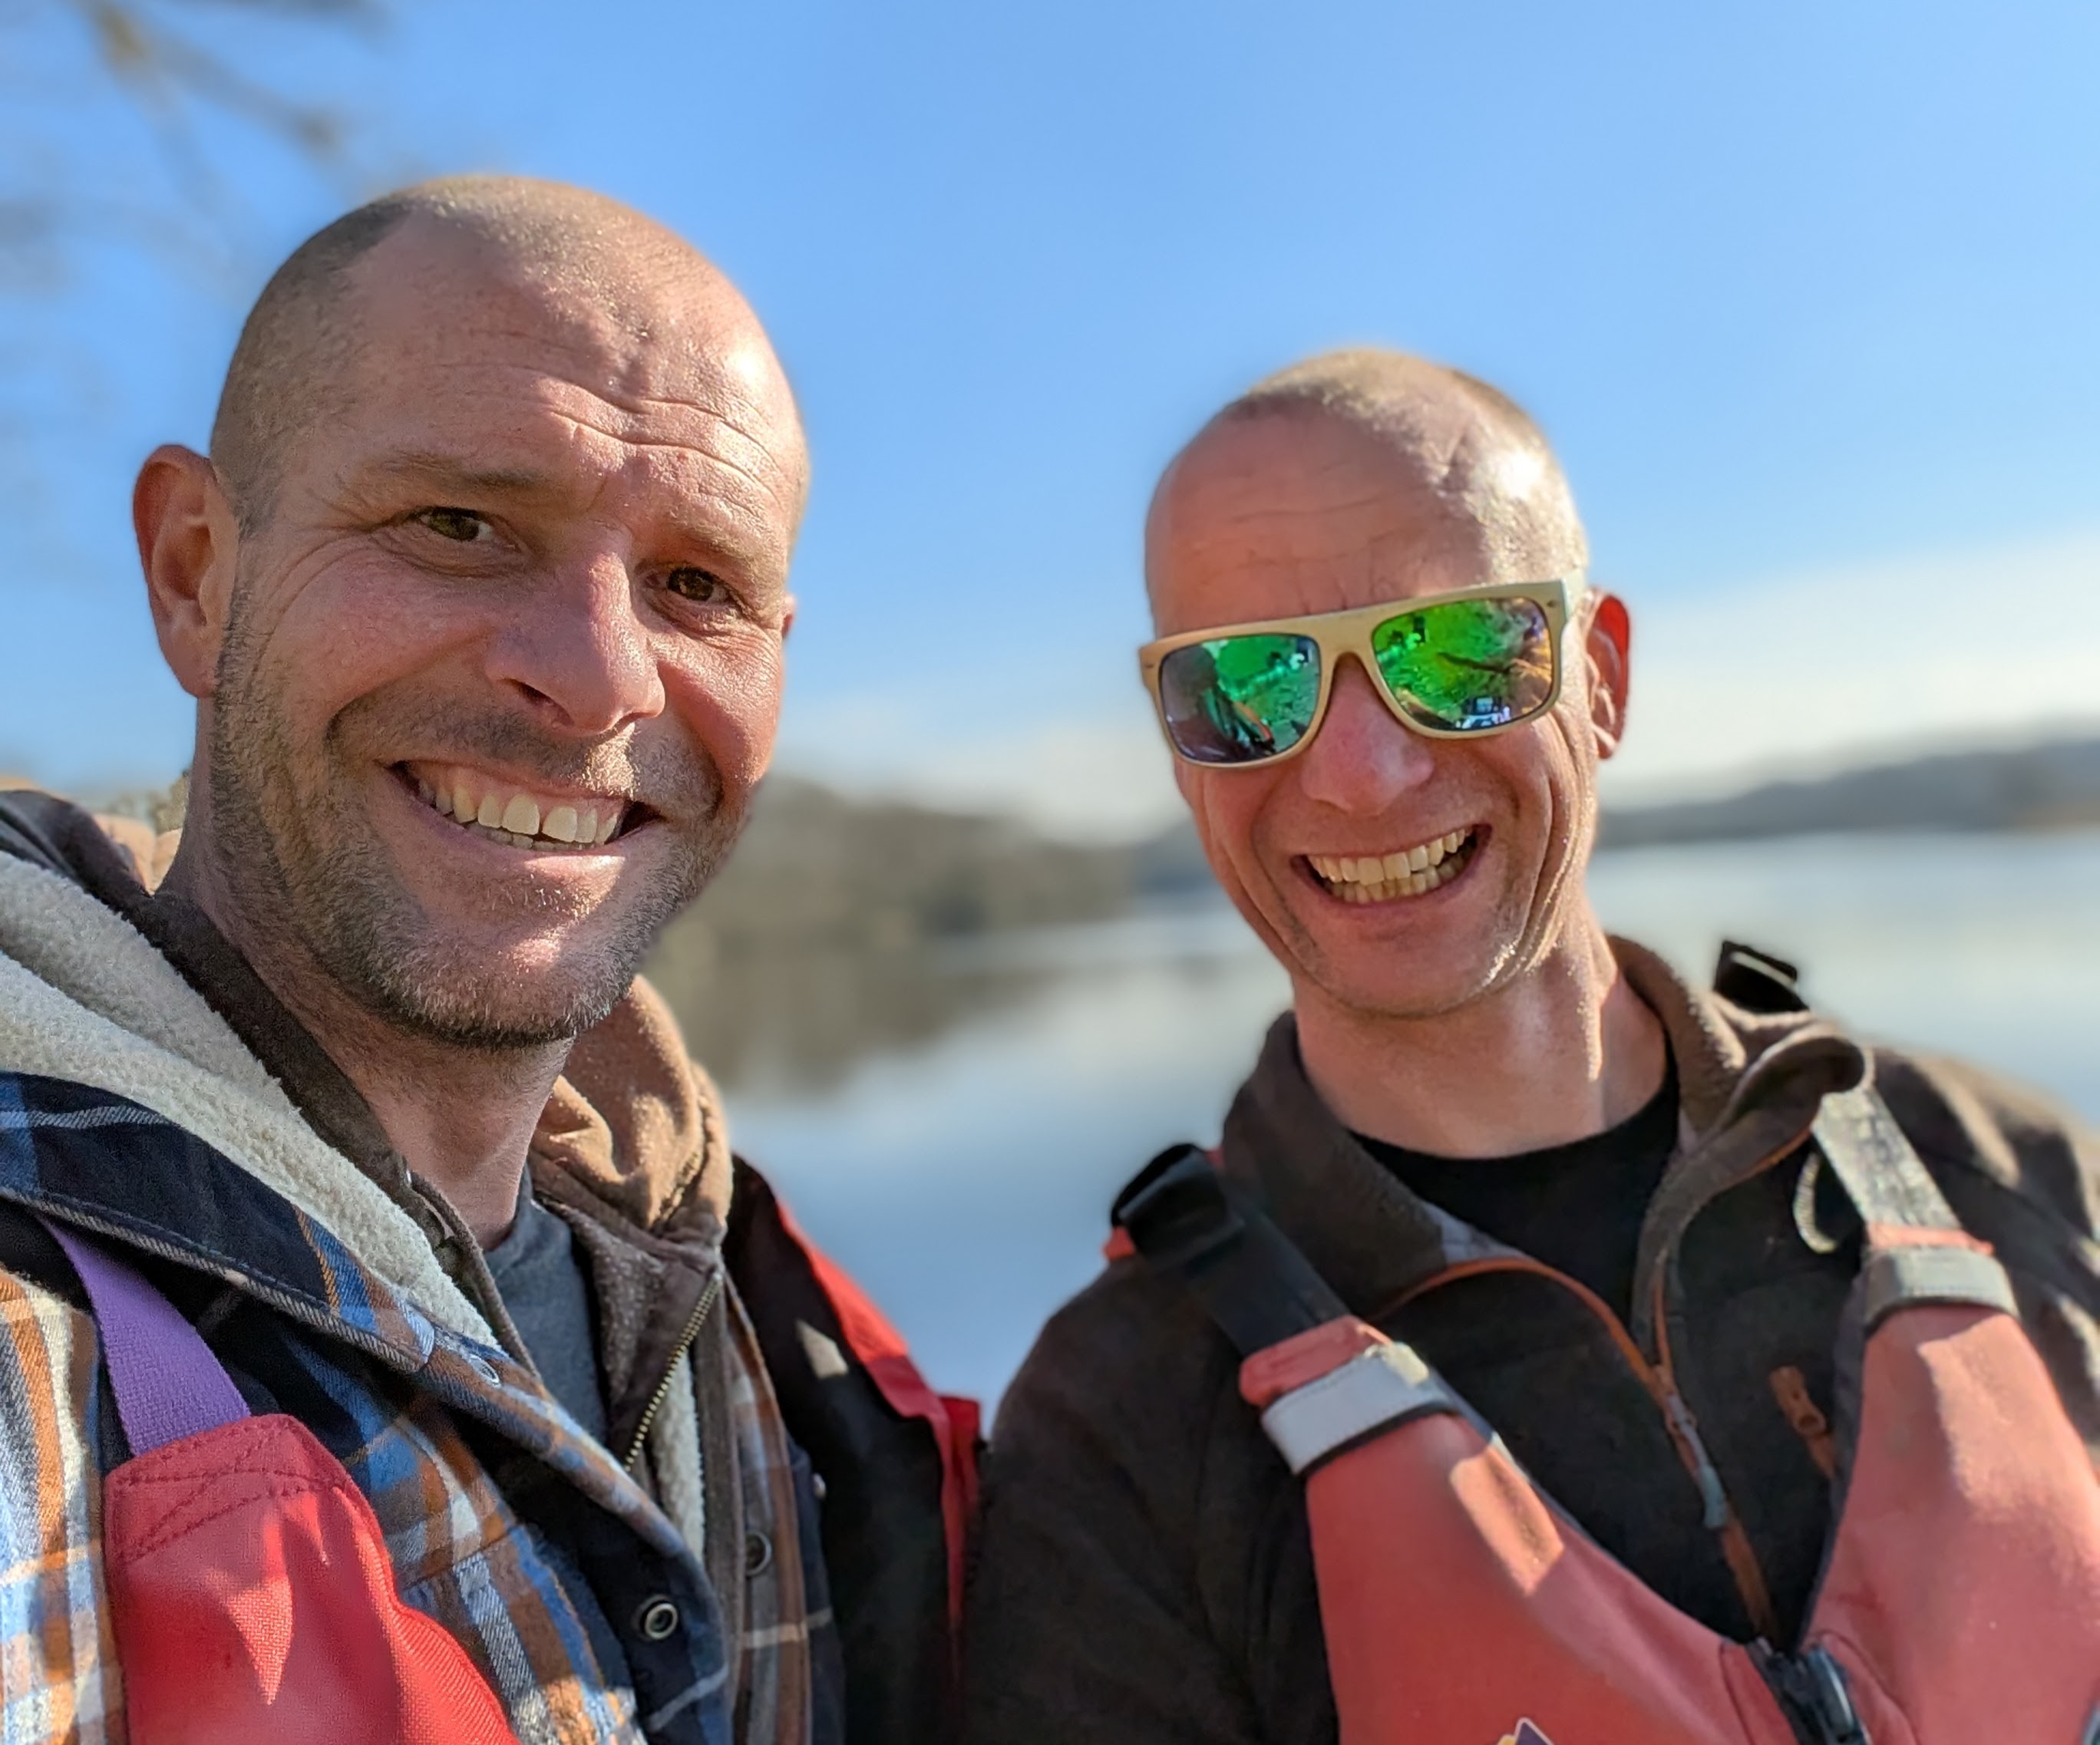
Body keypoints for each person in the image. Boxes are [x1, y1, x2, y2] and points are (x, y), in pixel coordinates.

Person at [963, 350, 2100, 1744]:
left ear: (1600, 676)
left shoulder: (2004, 1169)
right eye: (1249, 684)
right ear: (1181, 742)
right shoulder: (1124, 1427)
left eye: (1459, 651)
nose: (1359, 771)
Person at [0, 179, 972, 1745]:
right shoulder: (36, 1350)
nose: (594, 678)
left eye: (699, 587)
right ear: (196, 571)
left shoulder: (725, 1281)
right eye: (458, 526)